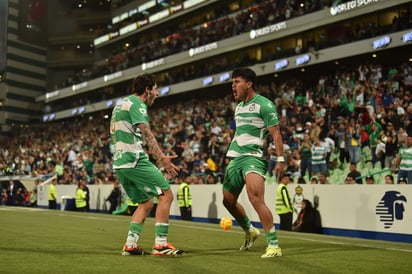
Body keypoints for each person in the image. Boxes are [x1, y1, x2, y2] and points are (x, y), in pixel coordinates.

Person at [110, 73, 183, 256]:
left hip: (120, 162)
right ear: (148, 89)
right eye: (155, 89)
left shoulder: (121, 104)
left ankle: (131, 245)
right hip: (134, 159)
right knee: (166, 195)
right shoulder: (138, 104)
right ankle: (161, 245)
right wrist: (163, 159)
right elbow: (147, 133)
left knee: (146, 203)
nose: (157, 93)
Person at [222, 68, 283, 258]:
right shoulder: (239, 107)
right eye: (232, 82)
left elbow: (276, 134)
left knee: (255, 198)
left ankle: (274, 246)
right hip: (235, 158)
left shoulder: (264, 105)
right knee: (228, 201)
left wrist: (280, 159)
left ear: (249, 84)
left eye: (237, 81)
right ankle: (250, 230)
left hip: (253, 157)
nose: (233, 85)